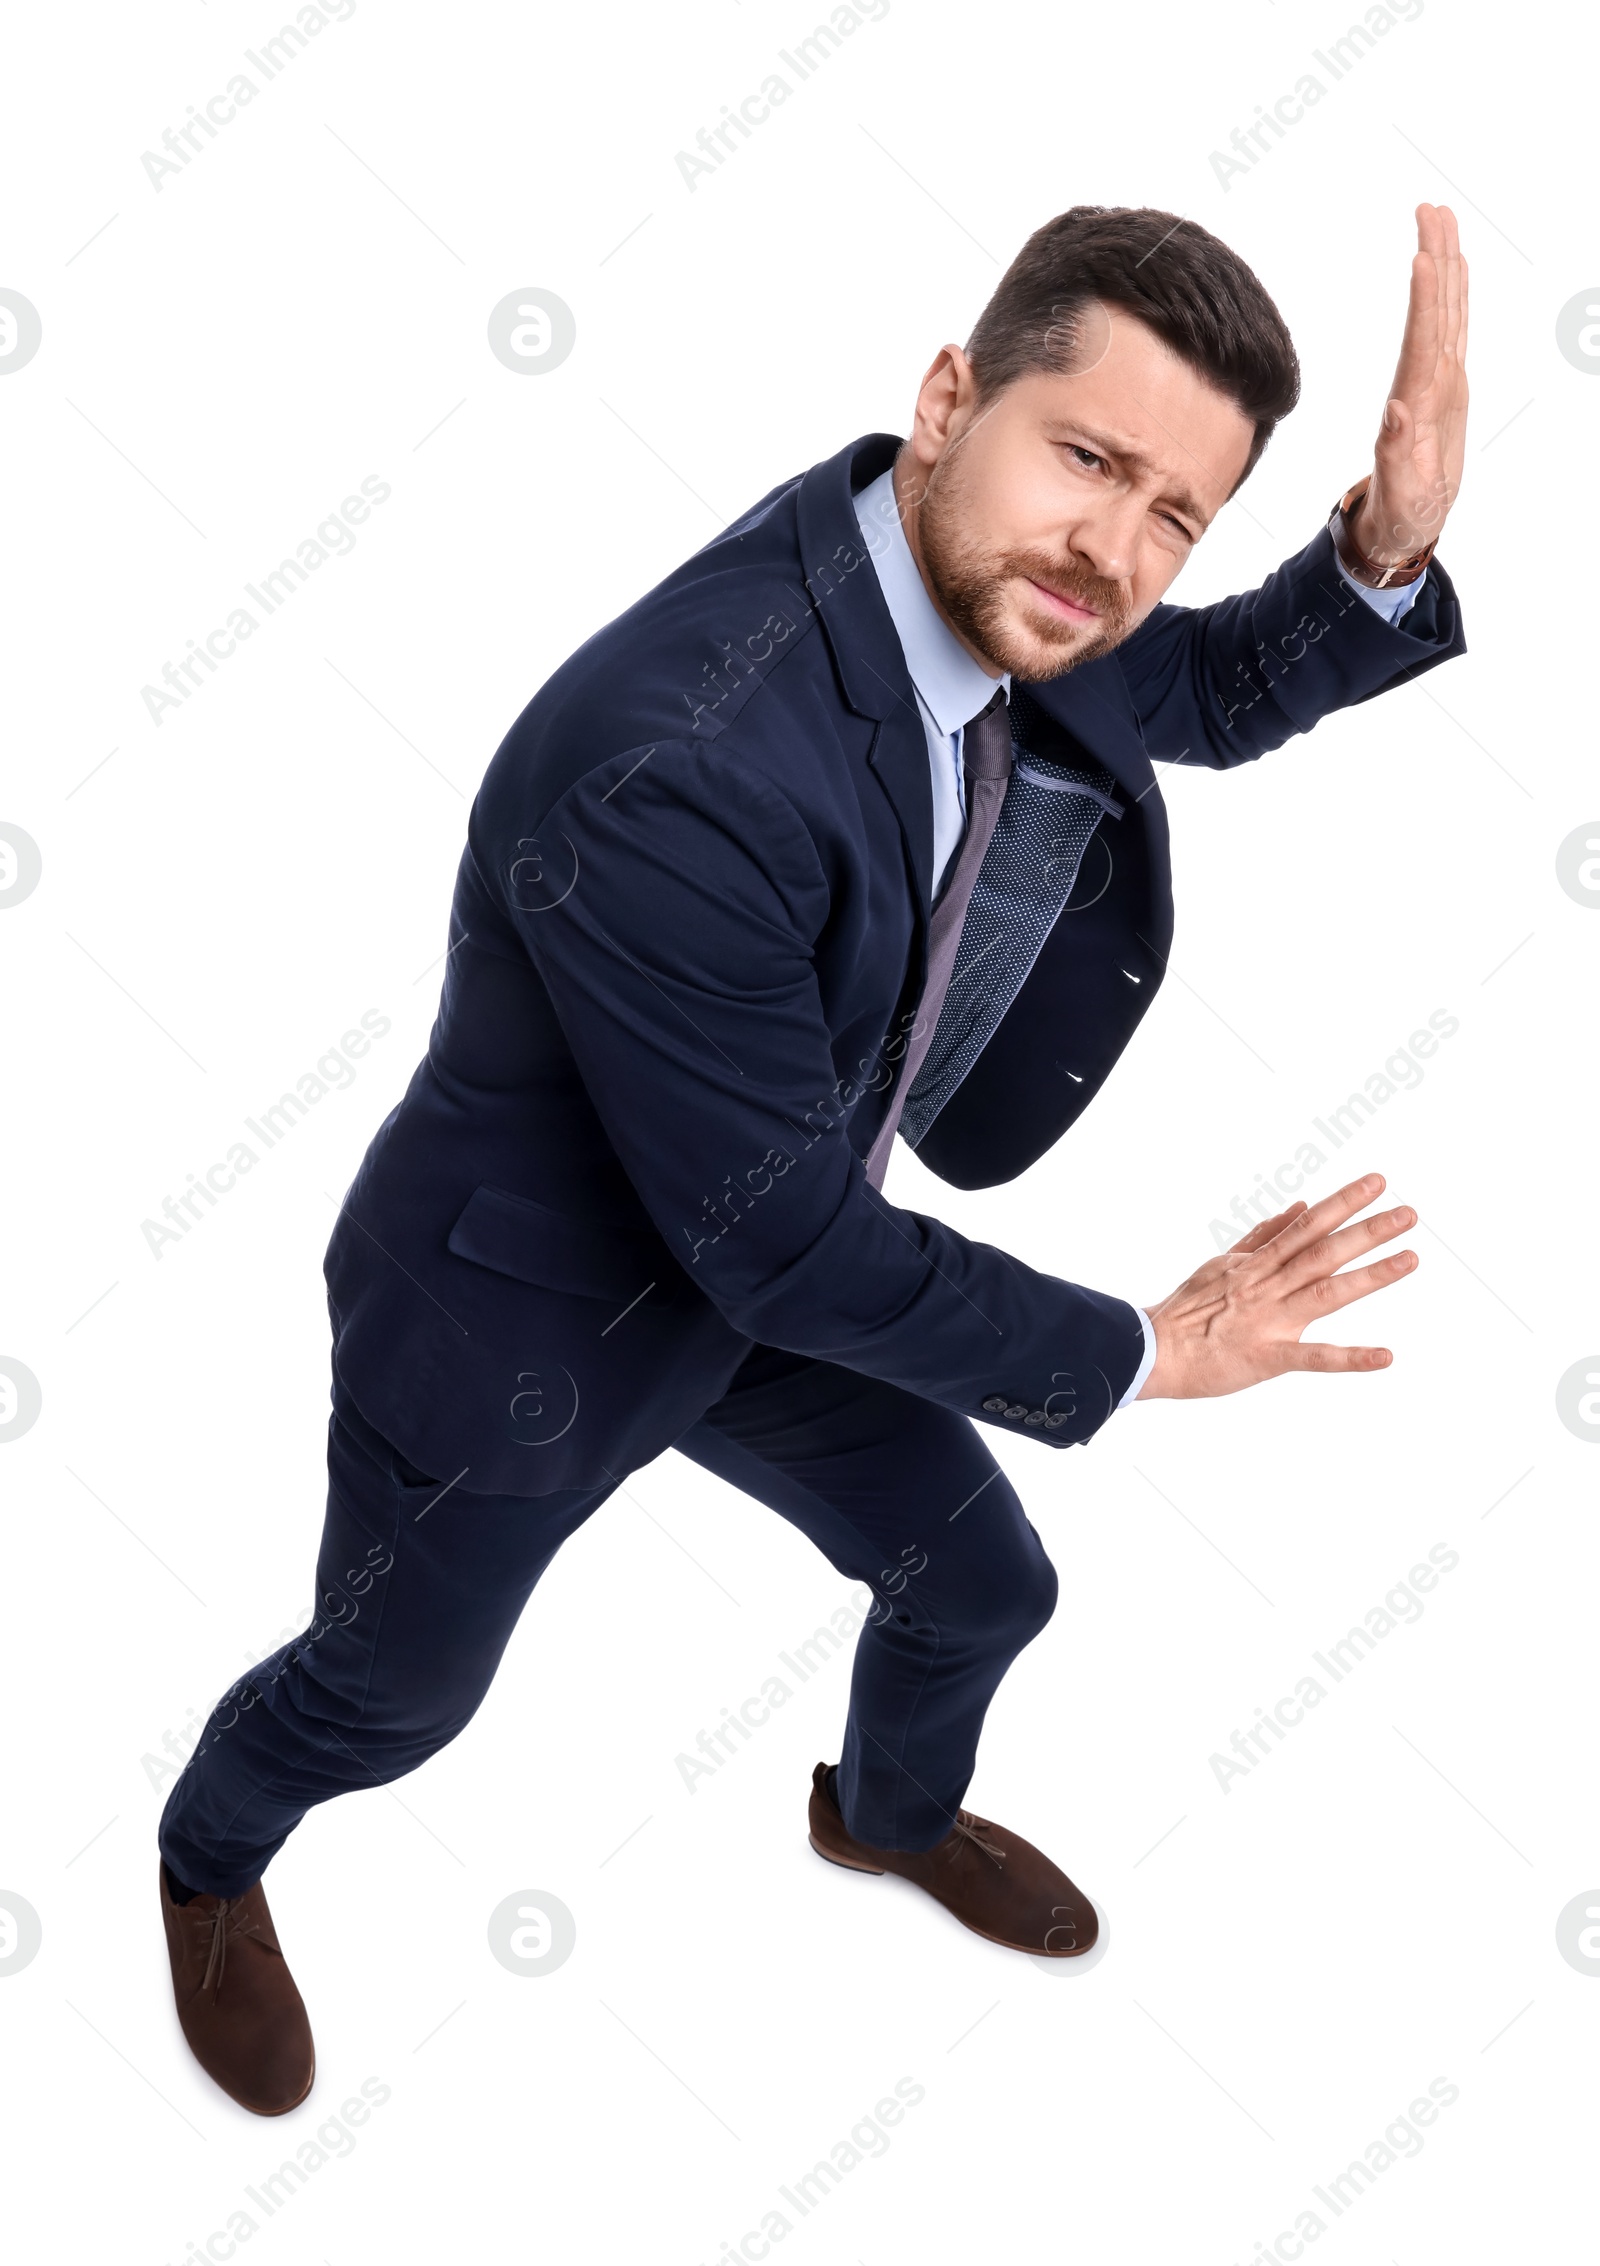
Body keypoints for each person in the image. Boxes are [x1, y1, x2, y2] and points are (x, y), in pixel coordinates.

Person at [158, 202, 1469, 2114]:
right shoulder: (681, 754)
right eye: (1089, 458)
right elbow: (782, 1250)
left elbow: (1207, 689)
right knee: (393, 1699)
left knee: (982, 1585)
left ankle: (883, 1811)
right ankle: (206, 1852)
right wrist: (1145, 1348)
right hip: (531, 1303)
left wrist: (1382, 549)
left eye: (1177, 513)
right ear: (950, 397)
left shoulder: (993, 590)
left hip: (765, 1243)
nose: (1119, 554)